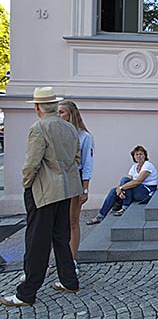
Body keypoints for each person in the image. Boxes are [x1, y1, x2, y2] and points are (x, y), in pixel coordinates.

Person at [0, 87, 81, 307]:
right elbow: (76, 158)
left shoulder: (39, 128)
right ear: (54, 106)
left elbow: (32, 163)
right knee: (60, 237)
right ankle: (69, 280)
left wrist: (27, 184)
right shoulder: (69, 128)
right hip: (65, 189)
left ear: (37, 107)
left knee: (37, 241)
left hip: (44, 191)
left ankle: (26, 293)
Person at [57, 100, 94, 273]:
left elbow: (87, 163)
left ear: (71, 114)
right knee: (57, 222)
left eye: (62, 112)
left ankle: (71, 259)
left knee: (72, 221)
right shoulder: (56, 133)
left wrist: (85, 188)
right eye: (57, 112)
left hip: (75, 180)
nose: (59, 115)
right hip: (57, 181)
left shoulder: (84, 136)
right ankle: (58, 258)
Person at [87, 145, 158, 224]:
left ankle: (124, 206)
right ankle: (100, 216)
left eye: (141, 154)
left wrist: (121, 188)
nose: (139, 156)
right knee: (113, 191)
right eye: (136, 154)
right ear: (133, 157)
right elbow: (127, 181)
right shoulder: (134, 167)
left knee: (125, 181)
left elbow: (138, 181)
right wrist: (119, 190)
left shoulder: (147, 165)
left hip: (146, 192)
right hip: (135, 190)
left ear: (145, 155)